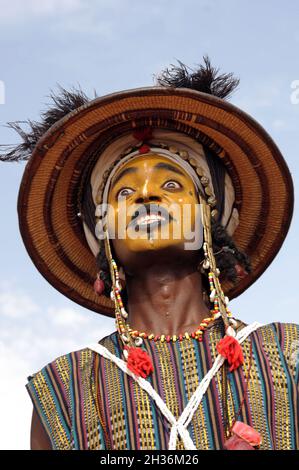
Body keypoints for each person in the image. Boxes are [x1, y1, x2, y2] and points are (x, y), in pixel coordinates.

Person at [1, 57, 298, 450]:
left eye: (173, 184)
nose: (146, 195)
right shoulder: (65, 389)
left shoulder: (287, 354)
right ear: (102, 233)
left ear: (211, 220)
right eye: (124, 193)